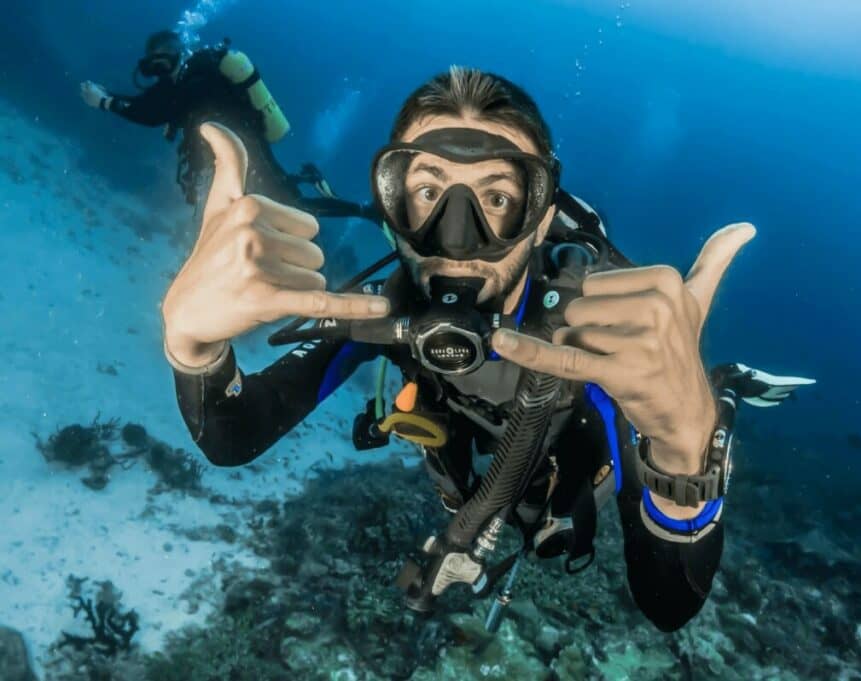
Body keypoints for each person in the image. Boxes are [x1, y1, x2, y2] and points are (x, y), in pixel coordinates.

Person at [159, 67, 813, 632]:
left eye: (498, 197)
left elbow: (669, 602)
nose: (457, 235)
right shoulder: (384, 305)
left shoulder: (593, 336)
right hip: (474, 477)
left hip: (571, 471)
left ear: (539, 219)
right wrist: (191, 344)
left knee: (596, 482)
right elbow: (232, 435)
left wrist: (683, 450)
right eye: (426, 191)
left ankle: (718, 389)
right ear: (392, 207)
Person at [80, 29, 371, 220]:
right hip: (239, 152)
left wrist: (106, 103)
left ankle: (364, 211)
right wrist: (109, 96)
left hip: (247, 151)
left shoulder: (197, 79)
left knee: (292, 207)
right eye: (157, 54)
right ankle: (307, 178)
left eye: (165, 51)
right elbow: (152, 105)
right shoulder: (184, 81)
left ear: (175, 51)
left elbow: (152, 113)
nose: (160, 63)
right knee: (265, 200)